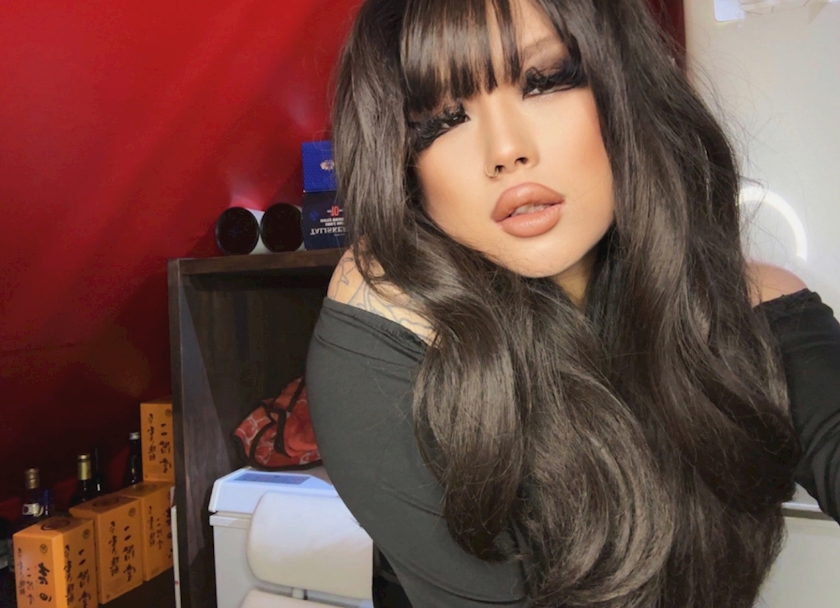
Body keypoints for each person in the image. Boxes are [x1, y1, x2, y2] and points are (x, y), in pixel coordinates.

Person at [305, 0, 840, 606]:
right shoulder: (389, 326)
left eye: (545, 80)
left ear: (624, 89)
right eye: (442, 119)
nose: (506, 149)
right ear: (405, 166)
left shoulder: (752, 309)